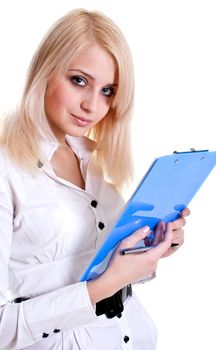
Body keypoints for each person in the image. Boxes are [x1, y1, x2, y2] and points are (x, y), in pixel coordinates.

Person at [0, 8, 190, 350]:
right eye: (79, 81)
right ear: (45, 71)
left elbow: (99, 263)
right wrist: (103, 286)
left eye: (107, 91)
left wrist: (155, 247)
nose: (92, 105)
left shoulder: (95, 162)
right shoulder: (6, 169)